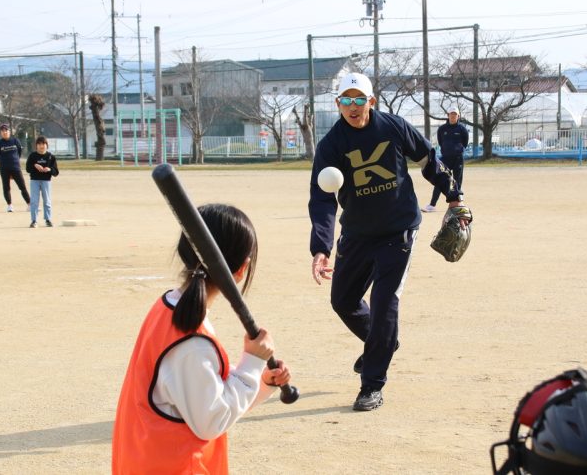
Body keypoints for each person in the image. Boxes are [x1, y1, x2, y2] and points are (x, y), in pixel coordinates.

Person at [308, 72, 469, 412]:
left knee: (384, 303)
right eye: (346, 100)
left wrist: (454, 196)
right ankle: (383, 343)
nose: (353, 106)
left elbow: (428, 159)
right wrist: (321, 248)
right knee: (343, 300)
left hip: (398, 230)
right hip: (356, 232)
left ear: (371, 101)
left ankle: (371, 384)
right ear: (338, 104)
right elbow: (322, 200)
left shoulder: (393, 127)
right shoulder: (331, 145)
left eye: (359, 99)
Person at [112, 203, 292, 474]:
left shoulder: (169, 307)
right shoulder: (192, 342)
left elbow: (209, 399)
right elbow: (212, 419)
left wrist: (261, 382)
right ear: (241, 269)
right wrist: (252, 364)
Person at [422, 105, 469, 213]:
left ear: (458, 116)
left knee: (457, 182)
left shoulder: (462, 129)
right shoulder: (442, 129)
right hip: (445, 158)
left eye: (455, 114)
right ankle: (432, 205)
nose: (453, 116)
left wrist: (458, 150)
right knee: (440, 180)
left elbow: (465, 143)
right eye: (451, 114)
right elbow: (440, 141)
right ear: (448, 115)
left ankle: (457, 204)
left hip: (458, 158)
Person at [0, 123, 30, 213]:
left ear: (9, 131)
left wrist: (14, 161)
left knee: (22, 187)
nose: (4, 132)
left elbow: (19, 152)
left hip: (16, 168)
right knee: (6, 187)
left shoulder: (15, 141)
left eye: (6, 130)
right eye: (2, 131)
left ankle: (30, 204)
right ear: (0, 133)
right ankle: (9, 205)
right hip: (4, 169)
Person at [25, 136, 59, 228]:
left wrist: (49, 169)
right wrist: (35, 165)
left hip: (46, 181)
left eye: (43, 144)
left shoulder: (51, 157)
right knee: (34, 201)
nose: (41, 146)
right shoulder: (32, 156)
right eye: (39, 144)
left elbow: (56, 172)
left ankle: (48, 219)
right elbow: (27, 169)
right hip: (34, 180)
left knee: (47, 201)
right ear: (36, 146)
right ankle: (34, 220)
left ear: (46, 145)